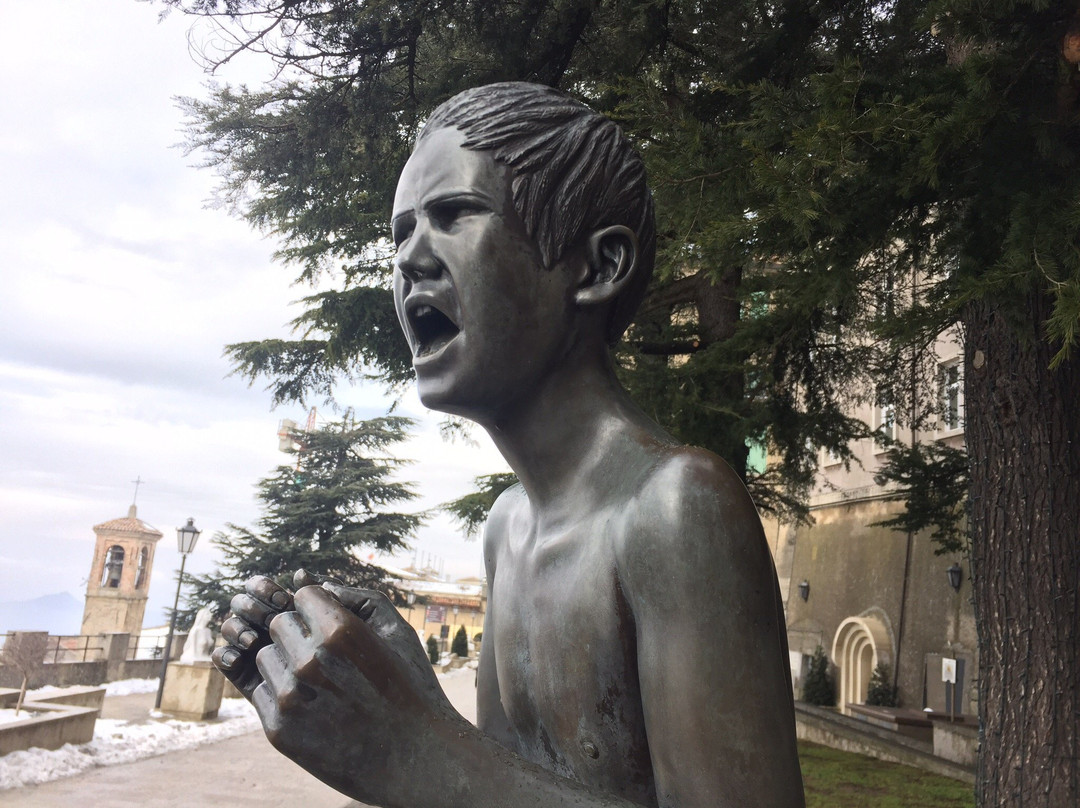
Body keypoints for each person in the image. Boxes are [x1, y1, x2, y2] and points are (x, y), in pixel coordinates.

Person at [213, 82, 805, 808]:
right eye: (401, 233)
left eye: (454, 215)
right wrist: (410, 700)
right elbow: (518, 777)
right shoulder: (507, 525)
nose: (409, 259)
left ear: (598, 267)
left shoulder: (676, 508)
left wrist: (413, 750)